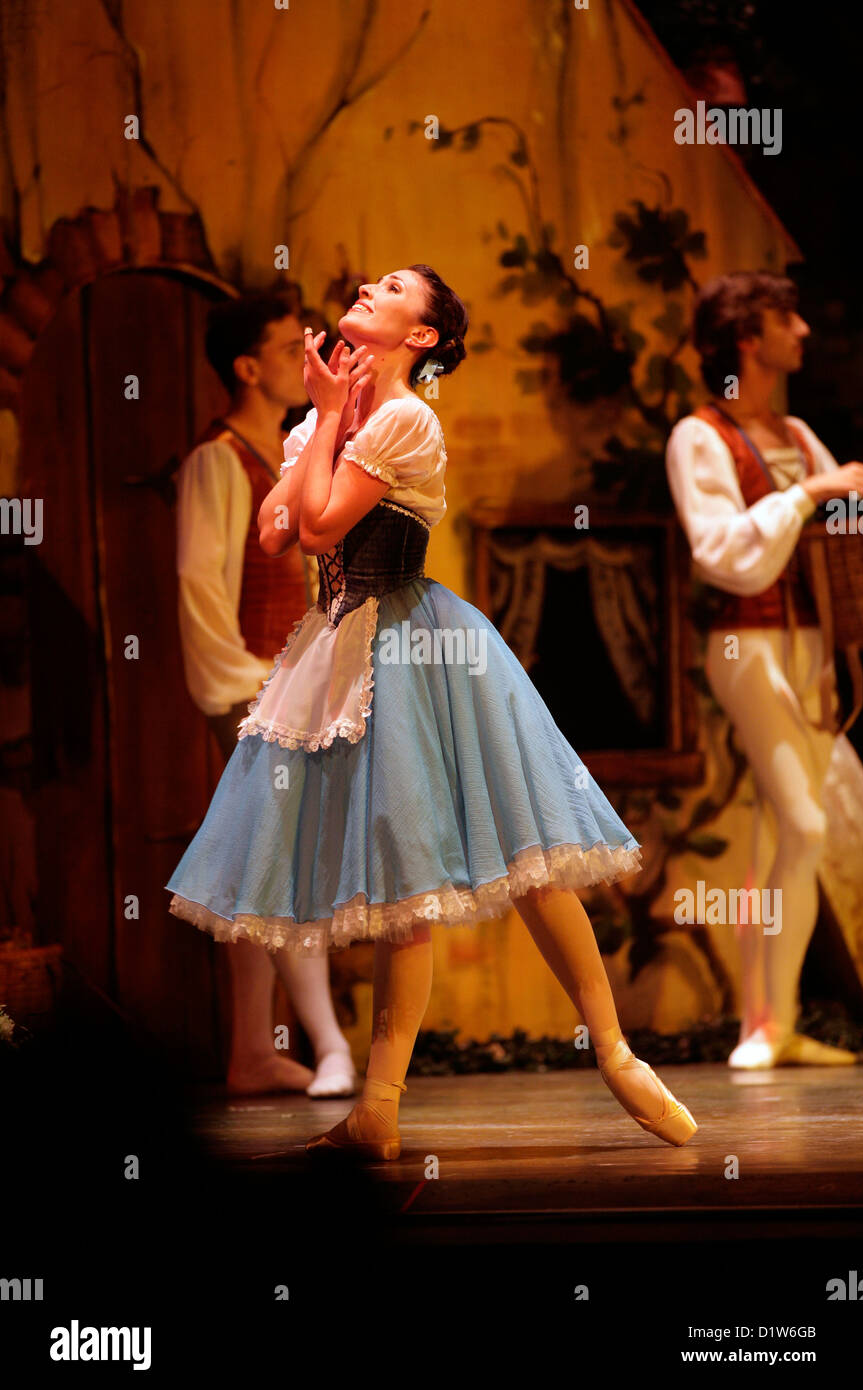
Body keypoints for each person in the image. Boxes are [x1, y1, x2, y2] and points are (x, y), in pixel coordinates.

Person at [166, 263, 697, 1157]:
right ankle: (377, 1107)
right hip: (339, 646)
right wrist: (322, 417)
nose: (372, 287)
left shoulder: (407, 416)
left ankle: (613, 1049)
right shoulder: (320, 418)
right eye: (374, 281)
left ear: (421, 335)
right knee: (400, 882)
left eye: (395, 287)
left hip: (420, 649)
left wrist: (328, 418)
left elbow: (324, 525)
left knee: (528, 858)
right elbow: (272, 530)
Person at [666, 270, 863, 1069]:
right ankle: (765, 1026)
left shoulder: (797, 431)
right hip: (747, 643)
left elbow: (837, 520)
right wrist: (807, 495)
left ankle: (769, 1018)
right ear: (750, 337)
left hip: (811, 642)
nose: (805, 333)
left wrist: (843, 497)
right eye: (789, 319)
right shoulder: (700, 436)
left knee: (778, 829)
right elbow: (721, 554)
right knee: (806, 823)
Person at [175, 291, 357, 1098]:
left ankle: (253, 1048)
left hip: (300, 685)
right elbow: (200, 586)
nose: (304, 358)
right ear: (248, 368)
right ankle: (330, 1043)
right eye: (290, 349)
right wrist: (245, 692)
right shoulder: (219, 460)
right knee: (286, 866)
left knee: (264, 865)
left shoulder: (295, 449)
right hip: (254, 689)